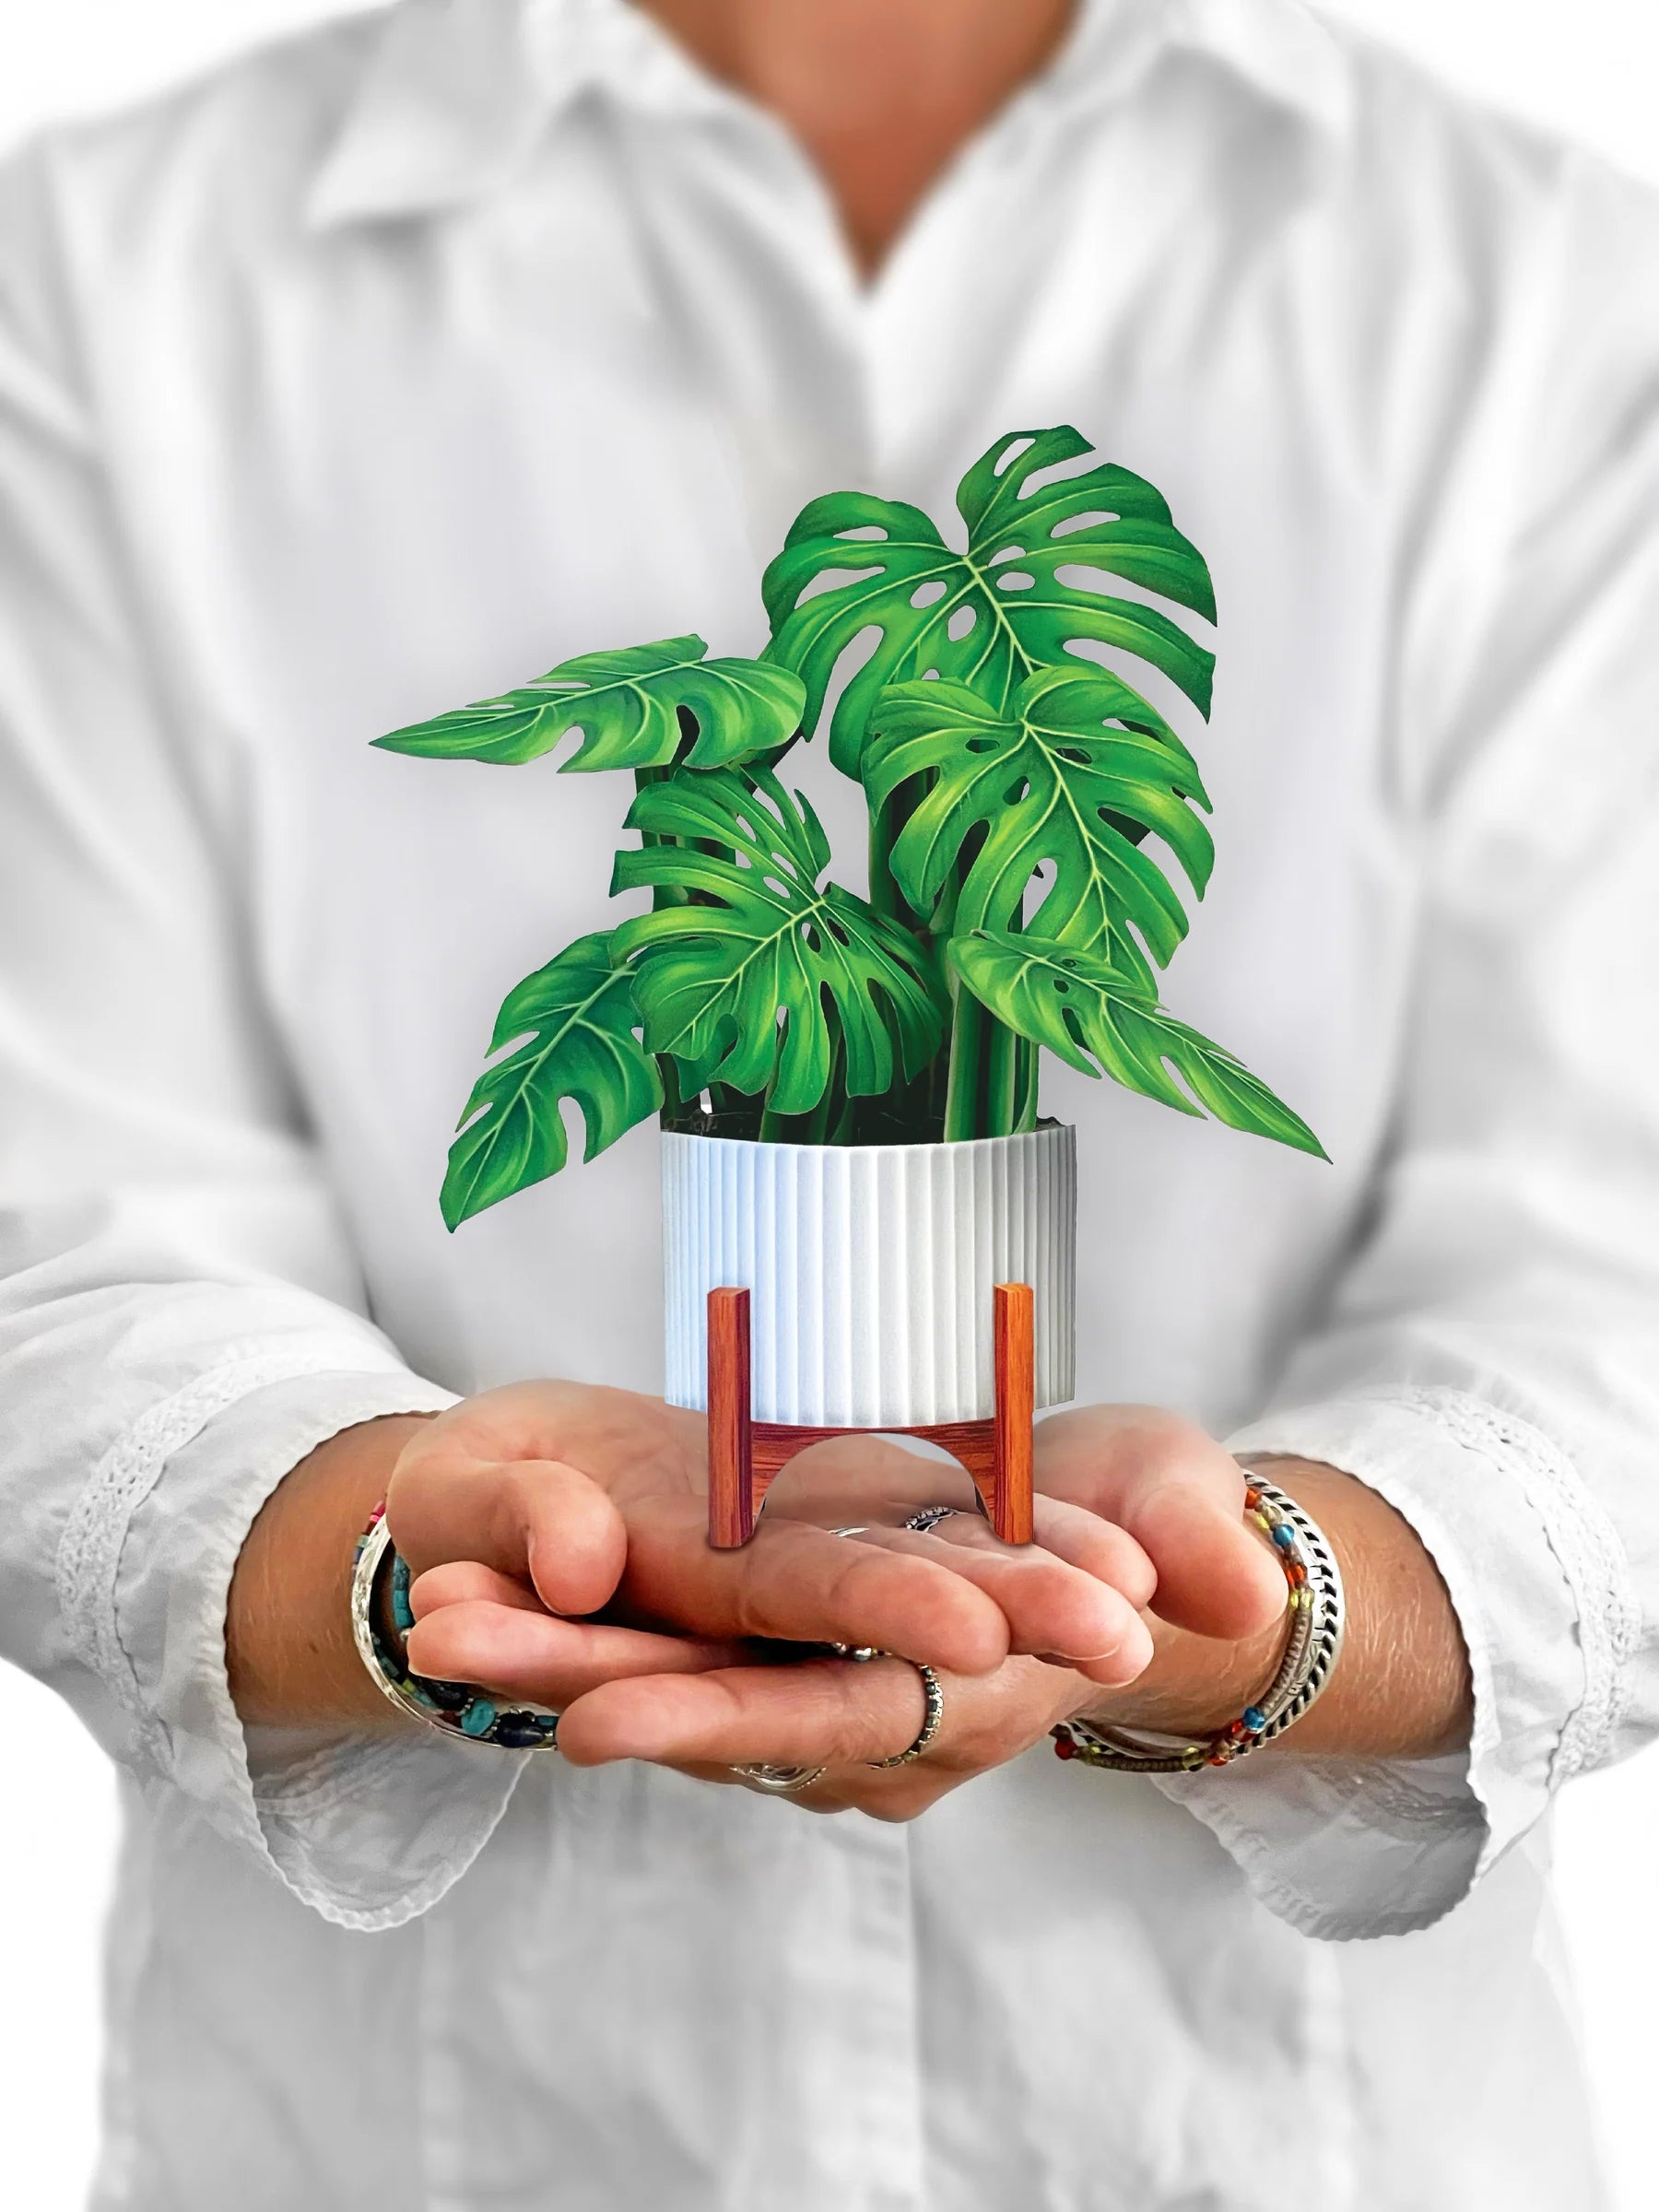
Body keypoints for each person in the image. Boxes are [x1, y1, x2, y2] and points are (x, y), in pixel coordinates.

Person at [1, 0, 1656, 2203]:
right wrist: (410, 1561)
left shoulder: (1538, 287)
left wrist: (1267, 1615)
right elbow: (63, 1245)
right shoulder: (111, 277)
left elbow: (1617, 1269)